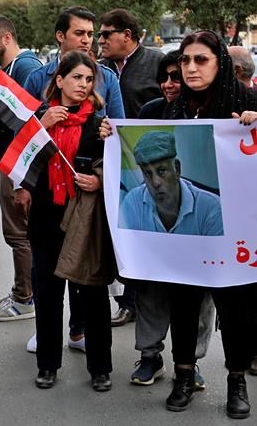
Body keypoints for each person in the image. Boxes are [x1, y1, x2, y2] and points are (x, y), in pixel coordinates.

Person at [150, 30, 256, 419]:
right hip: (186, 227)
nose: (190, 68)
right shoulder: (173, 107)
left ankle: (236, 380)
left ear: (220, 63)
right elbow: (134, 132)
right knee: (183, 303)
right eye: (185, 60)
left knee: (235, 306)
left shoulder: (247, 103)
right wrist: (110, 134)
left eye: (201, 60)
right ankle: (183, 375)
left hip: (235, 229)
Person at [23, 5, 125, 351]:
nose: (87, 40)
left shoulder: (107, 77)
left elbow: (119, 134)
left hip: (86, 197)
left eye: (91, 34)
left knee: (86, 271)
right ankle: (47, 341)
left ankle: (80, 331)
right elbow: (23, 134)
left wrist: (101, 176)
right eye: (79, 33)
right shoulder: (37, 76)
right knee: (46, 273)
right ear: (60, 36)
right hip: (46, 197)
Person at [14, 50, 113, 392]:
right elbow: (19, 159)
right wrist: (42, 126)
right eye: (76, 78)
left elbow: (114, 166)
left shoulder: (99, 124)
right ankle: (47, 365)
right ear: (59, 80)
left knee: (92, 292)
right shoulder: (40, 119)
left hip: (84, 218)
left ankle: (100, 368)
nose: (83, 85)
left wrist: (98, 180)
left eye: (89, 79)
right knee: (47, 292)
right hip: (46, 215)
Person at [122, 51, 216, 390]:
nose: (168, 84)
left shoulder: (212, 109)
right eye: (163, 78)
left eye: (176, 77)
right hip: (153, 242)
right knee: (150, 292)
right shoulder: (151, 111)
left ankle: (190, 362)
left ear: (177, 167)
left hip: (196, 244)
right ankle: (150, 356)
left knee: (200, 297)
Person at [97, 9, 164, 326]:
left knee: (148, 231)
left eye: (105, 34)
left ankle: (153, 301)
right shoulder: (100, 69)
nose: (100, 40)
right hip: (112, 164)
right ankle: (126, 301)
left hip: (150, 163)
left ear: (127, 35)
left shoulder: (155, 62)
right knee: (119, 234)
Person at [0, 15, 42, 322]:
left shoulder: (26, 67)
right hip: (9, 161)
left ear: (6, 38)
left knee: (19, 235)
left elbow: (30, 117)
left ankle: (24, 298)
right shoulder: (9, 69)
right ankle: (22, 290)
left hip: (17, 164)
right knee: (17, 234)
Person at [119, 131, 223, 235]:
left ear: (177, 169)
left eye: (161, 171)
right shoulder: (132, 203)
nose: (155, 183)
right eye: (147, 174)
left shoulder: (211, 208)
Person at [138, 51, 181, 118]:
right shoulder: (150, 111)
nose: (167, 85)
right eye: (164, 77)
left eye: (176, 77)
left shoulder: (198, 113)